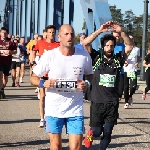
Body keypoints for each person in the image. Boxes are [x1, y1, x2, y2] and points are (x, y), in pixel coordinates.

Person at [30, 24, 93, 150]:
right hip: (54, 109)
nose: (70, 37)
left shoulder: (84, 56)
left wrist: (87, 84)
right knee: (56, 146)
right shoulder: (50, 56)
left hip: (75, 108)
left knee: (76, 147)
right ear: (59, 37)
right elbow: (33, 78)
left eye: (72, 34)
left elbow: (91, 76)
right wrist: (44, 83)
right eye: (66, 34)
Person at [82, 21, 133, 149]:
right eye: (107, 45)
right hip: (97, 101)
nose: (109, 48)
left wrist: (121, 31)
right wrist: (99, 31)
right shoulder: (96, 57)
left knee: (108, 131)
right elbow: (85, 43)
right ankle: (91, 132)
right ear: (103, 46)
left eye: (111, 46)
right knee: (98, 132)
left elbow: (130, 45)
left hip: (112, 102)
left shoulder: (118, 59)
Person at [32, 25, 60, 127]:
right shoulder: (40, 43)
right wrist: (33, 63)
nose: (52, 34)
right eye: (50, 32)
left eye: (53, 32)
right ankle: (42, 118)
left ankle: (50, 116)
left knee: (50, 96)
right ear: (46, 33)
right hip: (43, 73)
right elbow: (33, 52)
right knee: (42, 96)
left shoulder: (58, 44)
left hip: (53, 74)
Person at [123, 35, 140, 108]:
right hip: (126, 70)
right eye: (129, 39)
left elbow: (138, 58)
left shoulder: (137, 49)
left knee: (134, 86)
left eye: (132, 39)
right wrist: (124, 61)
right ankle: (126, 102)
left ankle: (130, 96)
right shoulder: (124, 48)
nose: (130, 40)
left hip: (133, 70)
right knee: (126, 87)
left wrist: (137, 62)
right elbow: (121, 57)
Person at [0, 27, 17, 98]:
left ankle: (2, 88)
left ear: (7, 34)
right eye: (2, 32)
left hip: (7, 61)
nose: (3, 34)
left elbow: (15, 51)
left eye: (5, 33)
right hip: (0, 61)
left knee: (5, 78)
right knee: (0, 74)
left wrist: (10, 52)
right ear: (0, 33)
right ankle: (0, 91)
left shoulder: (11, 41)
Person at [113, 31, 125, 101]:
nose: (117, 38)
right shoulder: (108, 45)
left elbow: (125, 55)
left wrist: (125, 60)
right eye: (115, 36)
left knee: (120, 92)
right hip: (111, 72)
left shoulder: (122, 46)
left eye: (118, 36)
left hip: (120, 72)